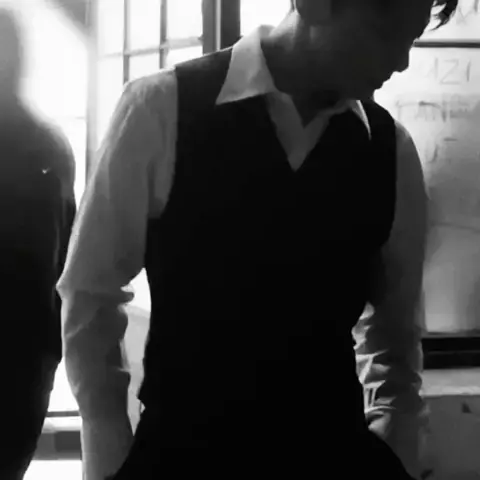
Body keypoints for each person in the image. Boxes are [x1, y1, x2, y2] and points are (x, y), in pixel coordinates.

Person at [57, 0, 458, 479]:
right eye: (386, 33)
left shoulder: (389, 151)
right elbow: (90, 294)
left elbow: (395, 342)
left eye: (411, 38)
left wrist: (397, 453)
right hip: (180, 459)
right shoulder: (161, 108)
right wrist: (109, 450)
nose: (401, 61)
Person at [0, 7, 76, 479]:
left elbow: (67, 252)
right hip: (28, 353)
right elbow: (67, 252)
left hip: (26, 352)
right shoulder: (50, 144)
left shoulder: (49, 145)